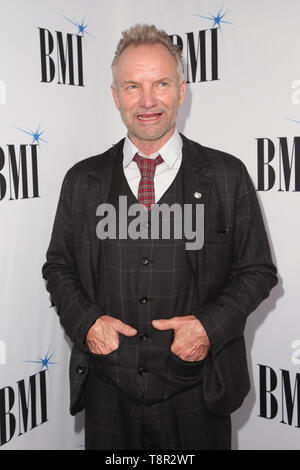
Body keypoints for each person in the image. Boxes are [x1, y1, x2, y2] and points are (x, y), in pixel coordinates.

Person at [42, 24, 277, 450]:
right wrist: (87, 323)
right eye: (132, 86)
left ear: (181, 90)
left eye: (161, 84)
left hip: (199, 395)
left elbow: (257, 271)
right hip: (108, 394)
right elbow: (58, 266)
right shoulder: (82, 181)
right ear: (115, 96)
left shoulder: (227, 175)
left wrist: (208, 327)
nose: (147, 101)